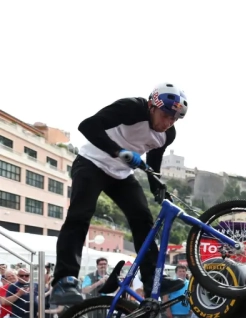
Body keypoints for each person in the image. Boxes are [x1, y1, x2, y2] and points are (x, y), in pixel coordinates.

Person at [50, 83, 188, 305]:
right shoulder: (130, 108)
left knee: (143, 218)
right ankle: (64, 281)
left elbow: (153, 161)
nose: (168, 122)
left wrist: (158, 187)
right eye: (165, 115)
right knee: (80, 214)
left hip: (121, 174)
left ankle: (153, 278)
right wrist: (119, 151)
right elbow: (87, 126)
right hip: (92, 162)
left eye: (174, 119)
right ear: (152, 105)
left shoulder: (167, 135)